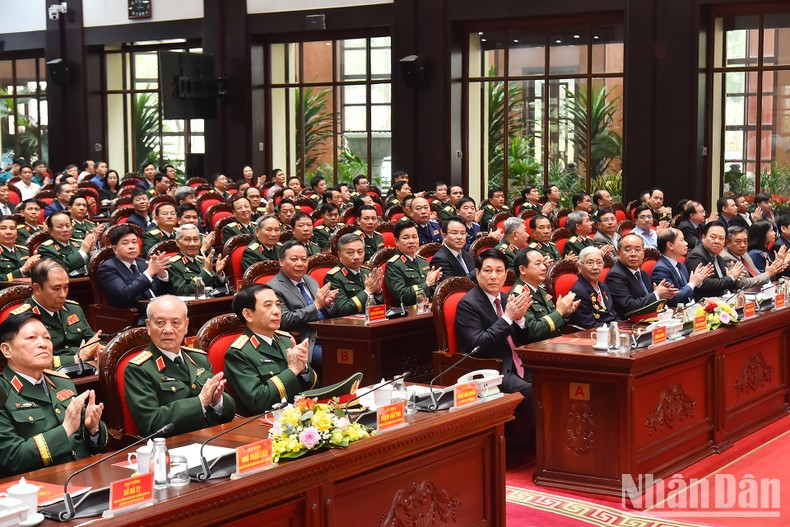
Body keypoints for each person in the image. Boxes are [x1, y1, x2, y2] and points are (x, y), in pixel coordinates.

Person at [0, 310, 108, 477]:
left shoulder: (62, 382)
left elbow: (92, 445)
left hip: (85, 473)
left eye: (47, 338)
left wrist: (93, 429)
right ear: (7, 350)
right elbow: (11, 458)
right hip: (38, 482)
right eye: (31, 338)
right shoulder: (4, 390)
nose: (43, 344)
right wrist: (65, 430)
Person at [124, 296, 235, 436]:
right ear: (148, 326)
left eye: (175, 323)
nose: (168, 330)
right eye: (160, 323)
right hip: (175, 443)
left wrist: (217, 401)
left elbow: (230, 411)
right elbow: (152, 423)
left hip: (212, 437)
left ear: (186, 325)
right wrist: (200, 402)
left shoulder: (199, 358)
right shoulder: (139, 369)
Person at [454, 249, 533, 446]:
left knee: (553, 380)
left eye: (499, 271)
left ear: (506, 275)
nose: (493, 276)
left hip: (519, 362)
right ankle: (535, 446)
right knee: (532, 390)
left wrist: (520, 320)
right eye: (488, 270)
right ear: (477, 273)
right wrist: (507, 318)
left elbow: (526, 341)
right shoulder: (468, 304)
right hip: (493, 369)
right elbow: (478, 345)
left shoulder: (506, 299)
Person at [225, 284, 318, 416]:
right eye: (268, 305)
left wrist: (303, 369)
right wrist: (292, 370)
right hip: (267, 421)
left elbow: (314, 387)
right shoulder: (238, 353)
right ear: (248, 314)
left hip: (300, 413)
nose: (277, 311)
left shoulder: (286, 340)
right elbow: (257, 401)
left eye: (278, 304)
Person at [268, 240, 337, 366]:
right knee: (337, 358)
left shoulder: (310, 280)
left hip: (329, 334)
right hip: (307, 340)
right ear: (281, 261)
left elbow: (325, 311)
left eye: (304, 260)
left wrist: (327, 305)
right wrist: (316, 306)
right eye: (294, 259)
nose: (300, 264)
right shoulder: (273, 288)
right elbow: (284, 319)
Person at [25, 260, 103, 369]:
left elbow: (90, 339)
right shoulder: (24, 318)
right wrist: (74, 359)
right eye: (56, 288)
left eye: (66, 287)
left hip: (84, 367)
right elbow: (28, 359)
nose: (63, 294)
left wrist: (99, 349)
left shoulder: (73, 309)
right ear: (37, 289)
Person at [98, 224, 173, 321]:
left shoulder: (143, 263)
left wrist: (162, 275)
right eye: (125, 243)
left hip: (161, 313)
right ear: (115, 249)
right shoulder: (107, 268)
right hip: (134, 318)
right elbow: (126, 294)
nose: (131, 246)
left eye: (134, 242)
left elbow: (167, 294)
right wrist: (150, 272)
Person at [510, 249, 579, 340]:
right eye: (538, 264)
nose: (544, 267)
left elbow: (555, 323)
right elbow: (533, 331)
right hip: (537, 347)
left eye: (543, 263)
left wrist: (565, 313)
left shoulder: (541, 290)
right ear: (523, 270)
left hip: (554, 341)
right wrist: (559, 312)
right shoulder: (518, 296)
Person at [604, 233, 677, 318]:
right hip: (629, 323)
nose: (633, 254)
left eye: (638, 250)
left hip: (649, 319)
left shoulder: (643, 274)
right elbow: (628, 307)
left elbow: (647, 299)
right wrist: (656, 294)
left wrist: (662, 294)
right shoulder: (615, 275)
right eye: (628, 250)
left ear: (643, 253)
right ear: (618, 254)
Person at [384, 220, 442, 306]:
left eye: (414, 237)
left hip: (428, 307)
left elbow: (431, 291)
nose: (411, 241)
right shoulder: (393, 265)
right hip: (409, 311)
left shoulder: (423, 261)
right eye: (406, 238)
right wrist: (427, 284)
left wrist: (434, 282)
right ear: (396, 241)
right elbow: (401, 296)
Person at [325, 233, 385, 316]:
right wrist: (367, 291)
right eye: (350, 252)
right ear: (339, 254)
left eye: (360, 252)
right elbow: (342, 310)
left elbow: (380, 307)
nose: (356, 257)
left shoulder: (367, 272)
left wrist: (378, 292)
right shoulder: (334, 277)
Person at [651, 228, 714, 307]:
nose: (686, 243)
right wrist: (693, 283)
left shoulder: (680, 265)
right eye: (682, 240)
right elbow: (673, 298)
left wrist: (698, 282)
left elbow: (688, 292)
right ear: (670, 245)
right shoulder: (660, 269)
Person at [684, 221, 744, 300]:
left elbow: (724, 283)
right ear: (703, 237)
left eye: (721, 238)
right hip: (704, 303)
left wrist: (734, 277)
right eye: (713, 237)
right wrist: (731, 278)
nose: (717, 241)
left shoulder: (719, 258)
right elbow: (705, 284)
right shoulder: (696, 256)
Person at [169, 224, 228, 295]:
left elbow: (216, 287)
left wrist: (219, 274)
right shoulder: (172, 265)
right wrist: (205, 272)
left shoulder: (202, 260)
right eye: (187, 240)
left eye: (195, 239)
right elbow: (183, 291)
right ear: (178, 243)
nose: (192, 244)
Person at [722, 225, 787, 289]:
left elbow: (757, 276)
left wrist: (774, 270)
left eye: (745, 241)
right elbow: (742, 283)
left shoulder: (744, 254)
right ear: (727, 243)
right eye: (738, 241)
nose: (743, 245)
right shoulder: (727, 258)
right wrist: (768, 274)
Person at [569, 246, 619, 328]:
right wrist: (614, 328)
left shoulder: (603, 286)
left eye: (599, 263)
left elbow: (613, 314)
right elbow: (589, 324)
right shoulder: (579, 291)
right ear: (579, 267)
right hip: (595, 333)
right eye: (590, 263)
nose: (595, 267)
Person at [0, 215, 39, 280]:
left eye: (12, 228)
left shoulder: (24, 251)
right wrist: (22, 270)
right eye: (3, 228)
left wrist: (37, 265)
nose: (9, 232)